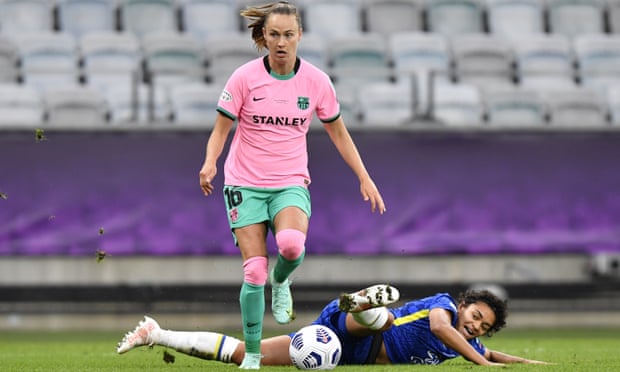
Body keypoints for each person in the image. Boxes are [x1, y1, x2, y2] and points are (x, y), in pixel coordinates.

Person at [197, 1, 386, 369]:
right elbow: (221, 129)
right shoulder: (244, 78)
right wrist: (210, 162)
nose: (281, 42)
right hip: (244, 183)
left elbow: (339, 133)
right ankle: (252, 354)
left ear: (299, 35)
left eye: (288, 34)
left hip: (289, 182)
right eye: (274, 34)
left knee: (290, 246)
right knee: (253, 271)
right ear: (263, 37)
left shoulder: (316, 81)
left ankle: (281, 282)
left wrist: (364, 176)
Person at [117, 284, 549, 367]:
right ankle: (364, 304)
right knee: (385, 320)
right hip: (351, 328)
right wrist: (481, 363)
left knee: (244, 356)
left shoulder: (465, 345)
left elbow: (491, 354)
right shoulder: (444, 311)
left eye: (481, 327)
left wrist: (529, 364)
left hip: (337, 352)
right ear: (464, 304)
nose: (474, 327)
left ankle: (155, 333)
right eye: (475, 316)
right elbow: (440, 328)